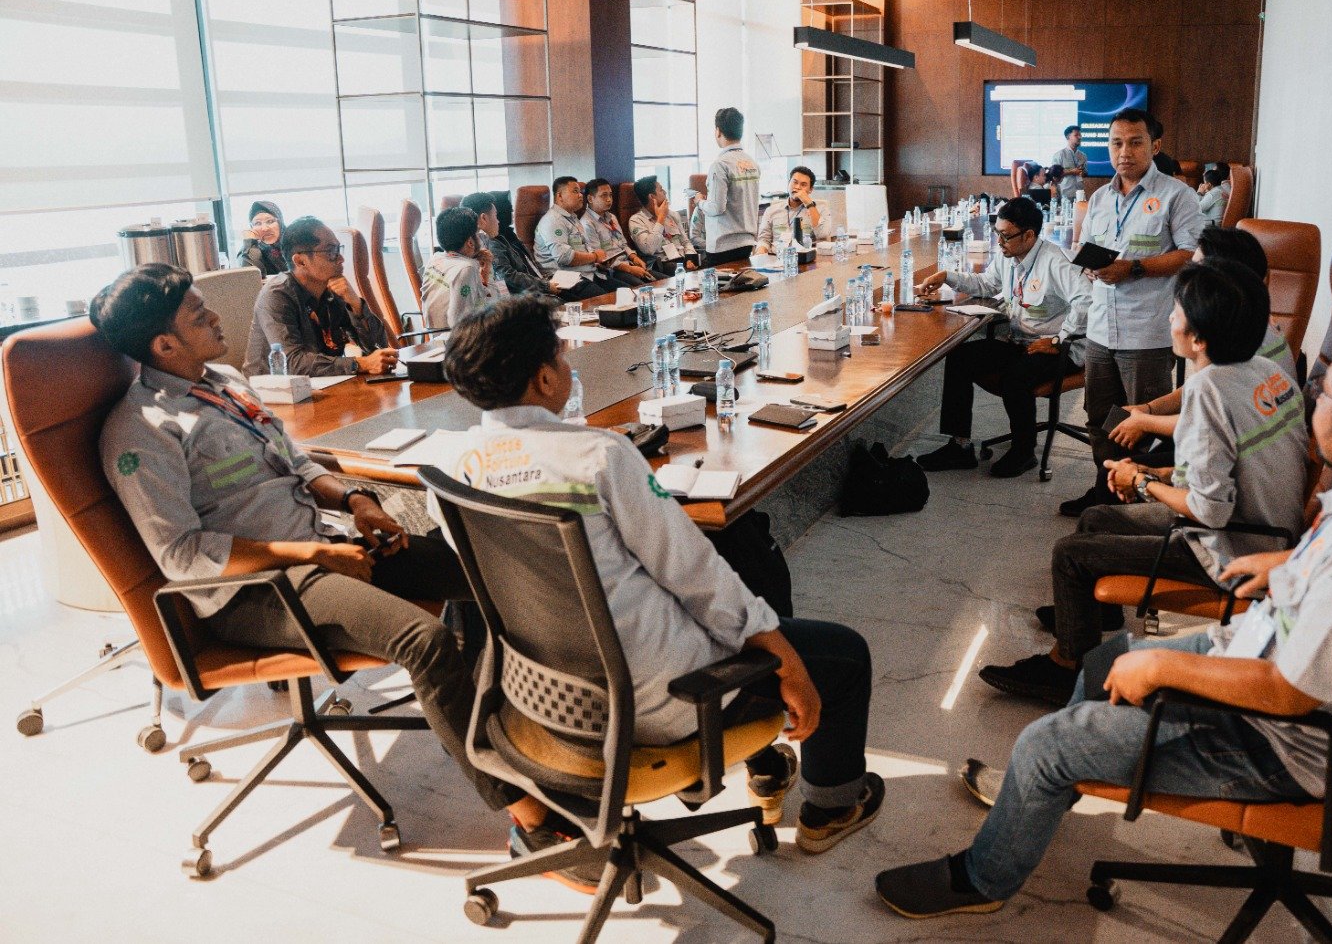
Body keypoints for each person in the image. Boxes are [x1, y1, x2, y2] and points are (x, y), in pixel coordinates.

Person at [876, 321, 1332, 918]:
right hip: (1263, 657)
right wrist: (1290, 563)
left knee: (1045, 743)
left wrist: (1163, 665)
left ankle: (985, 878)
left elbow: (1289, 692)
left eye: (1326, 392)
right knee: (1104, 662)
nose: (1312, 396)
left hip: (1273, 745)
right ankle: (1042, 793)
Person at [90, 263, 562, 880]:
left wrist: (357, 500)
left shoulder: (226, 382)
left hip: (323, 543)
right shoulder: (141, 432)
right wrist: (314, 556)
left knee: (484, 568)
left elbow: (297, 462)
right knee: (424, 641)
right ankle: (529, 821)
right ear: (164, 345)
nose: (217, 318)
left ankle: (503, 729)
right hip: (255, 590)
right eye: (199, 315)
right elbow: (182, 554)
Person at [437, 295, 886, 856]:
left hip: (543, 699)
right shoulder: (600, 456)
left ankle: (765, 766)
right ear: (545, 378)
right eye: (561, 356)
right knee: (844, 655)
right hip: (659, 701)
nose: (568, 366)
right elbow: (695, 574)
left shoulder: (452, 469)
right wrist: (784, 656)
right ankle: (833, 807)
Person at [977, 258, 1308, 703]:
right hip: (1269, 530)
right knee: (1095, 518)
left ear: (1199, 337)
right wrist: (1157, 472)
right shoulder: (1266, 371)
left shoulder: (1209, 391)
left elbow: (1209, 510)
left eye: (1177, 311)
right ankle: (1097, 618)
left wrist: (1141, 483)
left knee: (1070, 554)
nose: (1169, 318)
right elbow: (1228, 467)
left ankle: (1066, 668)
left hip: (1233, 549)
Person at [1059, 107, 1202, 517]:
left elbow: (1190, 254)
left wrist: (1134, 267)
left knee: (1145, 424)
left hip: (1147, 330)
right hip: (1100, 328)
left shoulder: (1177, 195)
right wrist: (1090, 266)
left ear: (1155, 146)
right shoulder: (1100, 198)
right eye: (1116, 143)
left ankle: (1141, 505)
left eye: (1135, 142)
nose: (1124, 152)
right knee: (1099, 419)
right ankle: (1105, 491)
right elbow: (1086, 247)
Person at [914, 196, 1092, 479]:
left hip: (1060, 349)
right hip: (1022, 342)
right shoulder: (1009, 256)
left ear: (1029, 235)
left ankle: (1024, 451)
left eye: (1006, 236)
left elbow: (1087, 300)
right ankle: (960, 446)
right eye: (997, 233)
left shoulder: (1056, 261)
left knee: (1015, 377)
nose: (999, 242)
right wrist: (947, 276)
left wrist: (1058, 341)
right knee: (959, 356)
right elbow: (986, 283)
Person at [1099, 226, 1297, 464]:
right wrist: (1149, 409)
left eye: (1197, 270)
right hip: (1231, 438)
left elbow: (1210, 426)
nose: (1189, 279)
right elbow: (1201, 393)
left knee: (1124, 460)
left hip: (1245, 453)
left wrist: (1145, 423)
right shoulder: (1247, 320)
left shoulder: (1242, 338)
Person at [243, 217, 396, 377]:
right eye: (331, 252)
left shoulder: (332, 290)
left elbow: (377, 347)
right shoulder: (277, 295)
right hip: (272, 389)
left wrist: (356, 305)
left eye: (338, 250)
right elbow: (292, 363)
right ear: (300, 261)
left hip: (324, 385)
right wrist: (360, 364)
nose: (341, 259)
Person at [533, 176, 627, 293]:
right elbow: (564, 257)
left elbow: (584, 249)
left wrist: (598, 262)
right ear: (560, 196)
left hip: (587, 273)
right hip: (565, 279)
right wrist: (595, 257)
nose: (580, 195)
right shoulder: (553, 220)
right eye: (575, 191)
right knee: (609, 298)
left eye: (580, 192)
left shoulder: (573, 218)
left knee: (626, 292)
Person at [421, 206, 503, 331]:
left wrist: (483, 275)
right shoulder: (466, 268)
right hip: (456, 338)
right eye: (477, 234)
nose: (480, 237)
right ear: (470, 242)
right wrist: (488, 271)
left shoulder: (436, 258)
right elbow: (459, 322)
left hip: (436, 333)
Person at [700, 107, 762, 265]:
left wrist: (699, 202)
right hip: (747, 241)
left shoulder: (720, 165)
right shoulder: (752, 163)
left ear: (718, 131)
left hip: (723, 244)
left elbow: (716, 207)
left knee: (723, 282)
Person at [467, 191, 544, 296]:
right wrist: (546, 287)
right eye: (496, 215)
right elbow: (504, 281)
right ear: (484, 218)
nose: (498, 221)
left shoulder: (475, 243)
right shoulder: (488, 245)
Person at [579, 178, 652, 284]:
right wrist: (630, 269)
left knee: (660, 279)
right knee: (642, 286)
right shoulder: (587, 224)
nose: (609, 199)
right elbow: (600, 260)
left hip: (628, 262)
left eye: (610, 195)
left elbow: (623, 244)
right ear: (590, 199)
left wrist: (634, 257)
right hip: (611, 270)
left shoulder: (612, 217)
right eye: (604, 195)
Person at [627, 175, 698, 272]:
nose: (665, 192)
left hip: (682, 259)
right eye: (661, 190)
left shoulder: (673, 215)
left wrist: (690, 258)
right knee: (676, 268)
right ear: (652, 197)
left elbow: (686, 242)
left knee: (707, 258)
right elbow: (649, 249)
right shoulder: (636, 220)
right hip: (662, 264)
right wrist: (660, 219)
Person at [756, 165, 831, 254]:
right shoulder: (771, 210)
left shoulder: (820, 208)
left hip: (806, 258)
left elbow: (822, 234)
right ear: (788, 183)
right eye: (795, 182)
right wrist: (760, 255)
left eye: (803, 185)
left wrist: (809, 204)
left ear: (810, 190)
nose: (798, 187)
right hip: (777, 257)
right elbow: (763, 240)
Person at [235, 201, 287, 276]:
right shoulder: (247, 249)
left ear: (280, 222)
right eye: (258, 223)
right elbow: (249, 277)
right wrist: (250, 244)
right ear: (252, 227)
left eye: (270, 221)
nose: (264, 228)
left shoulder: (294, 242)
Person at [1050, 125, 1088, 202]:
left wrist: (1083, 172)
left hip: (1080, 193)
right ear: (1068, 137)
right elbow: (1054, 176)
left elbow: (1085, 173)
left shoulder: (1083, 155)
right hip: (1065, 194)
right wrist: (1071, 172)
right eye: (1076, 135)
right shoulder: (1059, 155)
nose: (1079, 137)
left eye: (1080, 135)